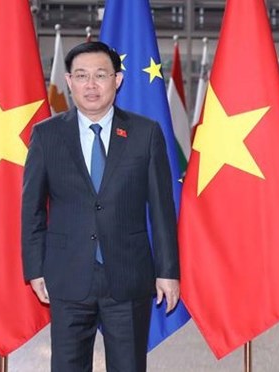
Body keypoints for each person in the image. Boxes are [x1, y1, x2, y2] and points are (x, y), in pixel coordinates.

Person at [21, 41, 180, 372]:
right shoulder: (46, 135)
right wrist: (35, 268)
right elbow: (32, 209)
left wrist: (168, 271)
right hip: (68, 275)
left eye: (100, 75)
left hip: (128, 275)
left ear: (117, 80)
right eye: (81, 75)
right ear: (68, 80)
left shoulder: (144, 133)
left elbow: (163, 210)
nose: (90, 85)